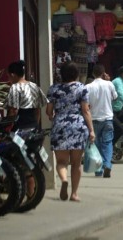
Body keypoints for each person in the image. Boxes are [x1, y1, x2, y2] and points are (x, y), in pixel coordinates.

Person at [46, 62, 95, 202]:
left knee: (61, 161)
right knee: (76, 163)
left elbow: (49, 111)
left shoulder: (54, 89)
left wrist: (52, 116)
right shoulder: (82, 88)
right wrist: (91, 130)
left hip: (60, 126)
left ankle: (63, 180)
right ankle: (74, 194)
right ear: (76, 74)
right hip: (78, 127)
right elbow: (85, 110)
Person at [85, 64, 117, 178]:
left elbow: (86, 104)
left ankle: (98, 170)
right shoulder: (109, 84)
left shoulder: (88, 87)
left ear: (93, 74)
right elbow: (115, 97)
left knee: (96, 145)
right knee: (108, 143)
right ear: (103, 73)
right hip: (108, 119)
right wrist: (109, 81)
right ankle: (107, 164)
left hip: (93, 120)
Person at [4, 60, 48, 130]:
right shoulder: (34, 86)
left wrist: (8, 127)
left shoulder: (15, 87)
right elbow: (38, 110)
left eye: (8, 76)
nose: (9, 79)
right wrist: (36, 125)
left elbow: (13, 111)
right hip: (33, 126)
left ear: (13, 75)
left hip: (20, 127)